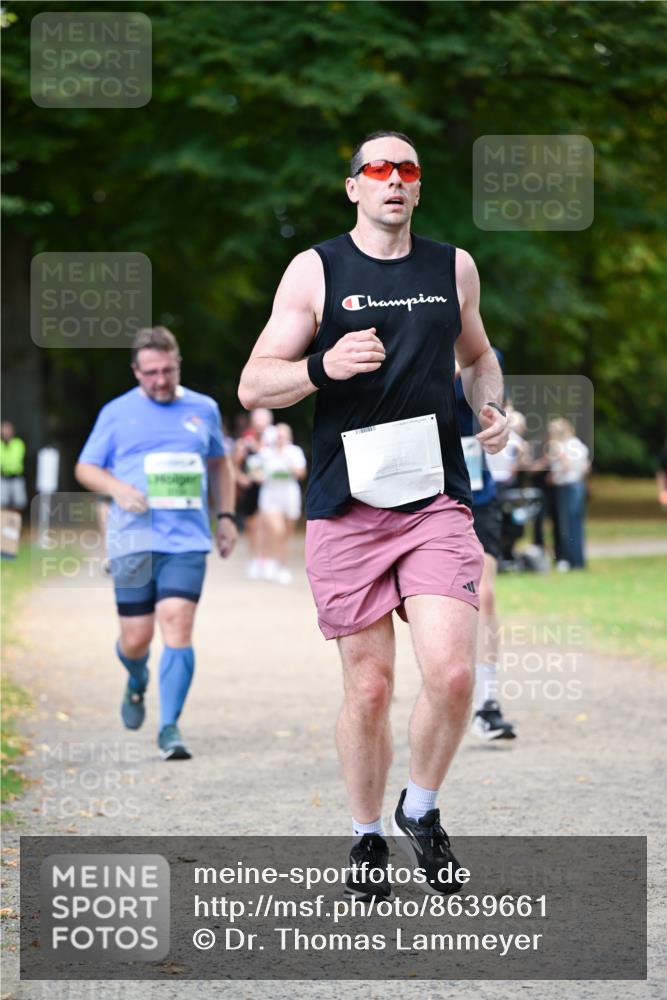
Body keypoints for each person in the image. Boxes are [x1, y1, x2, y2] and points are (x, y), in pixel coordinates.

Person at [239, 130, 509, 898]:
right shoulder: (316, 269)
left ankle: (419, 810)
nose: (393, 180)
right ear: (352, 186)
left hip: (433, 498)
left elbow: (477, 354)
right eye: (377, 170)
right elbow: (255, 385)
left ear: (417, 188)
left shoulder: (451, 266)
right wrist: (321, 366)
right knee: (368, 688)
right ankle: (365, 836)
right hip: (344, 502)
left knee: (453, 673)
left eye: (407, 170)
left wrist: (490, 405)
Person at [75, 326, 238, 760]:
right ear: (136, 371)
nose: (160, 380)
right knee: (136, 637)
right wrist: (117, 489)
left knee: (177, 622)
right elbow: (86, 468)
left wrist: (225, 516)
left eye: (167, 370)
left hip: (186, 539)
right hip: (132, 540)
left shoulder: (203, 409)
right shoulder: (116, 412)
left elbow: (220, 464)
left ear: (178, 364)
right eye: (150, 373)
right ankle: (135, 677)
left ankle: (170, 727)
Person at [455, 364, 516, 741]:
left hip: (480, 497)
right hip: (431, 497)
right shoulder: (402, 333)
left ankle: (487, 704)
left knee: (486, 594)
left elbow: (490, 400)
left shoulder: (483, 354)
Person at [256, 422, 307, 584]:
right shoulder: (266, 453)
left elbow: (301, 472)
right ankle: (271, 560)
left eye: (283, 435)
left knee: (286, 534)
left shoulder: (294, 452)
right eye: (278, 435)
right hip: (270, 495)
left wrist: (289, 465)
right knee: (277, 530)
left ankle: (282, 565)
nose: (280, 438)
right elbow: (255, 471)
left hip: (289, 495)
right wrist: (260, 475)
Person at [547, 418, 590, 570]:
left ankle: (571, 560)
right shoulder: (578, 444)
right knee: (575, 525)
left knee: (568, 525)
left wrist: (556, 473)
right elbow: (585, 467)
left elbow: (567, 466)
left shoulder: (562, 446)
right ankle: (578, 560)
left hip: (567, 487)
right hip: (577, 485)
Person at [1, 421, 27, 512]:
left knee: (19, 503)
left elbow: (15, 460)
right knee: (2, 503)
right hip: (3, 477)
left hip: (16, 477)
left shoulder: (18, 443)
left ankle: (14, 521)